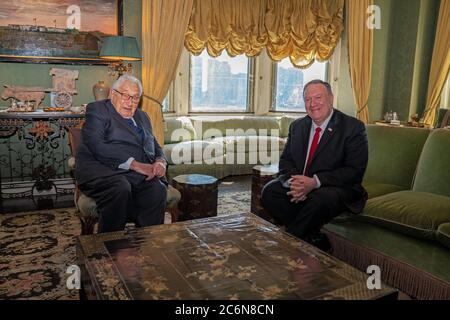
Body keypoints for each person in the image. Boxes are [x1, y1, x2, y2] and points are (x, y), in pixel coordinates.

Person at [261, 80, 368, 250]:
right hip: (303, 184)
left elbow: (354, 171)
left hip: (335, 186)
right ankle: (314, 237)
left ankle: (290, 242)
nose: (313, 104)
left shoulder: (352, 127)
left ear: (331, 99)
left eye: (318, 97)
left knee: (320, 199)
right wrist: (294, 183)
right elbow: (286, 161)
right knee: (269, 191)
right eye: (307, 99)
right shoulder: (297, 126)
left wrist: (314, 182)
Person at [75, 75, 167, 233]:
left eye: (135, 98)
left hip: (136, 175)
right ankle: (111, 245)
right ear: (112, 94)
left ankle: (148, 242)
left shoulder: (142, 116)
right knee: (120, 188)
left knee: (157, 190)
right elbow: (97, 145)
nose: (129, 102)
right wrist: (135, 165)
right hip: (103, 170)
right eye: (125, 95)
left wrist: (160, 161)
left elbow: (154, 143)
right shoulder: (98, 110)